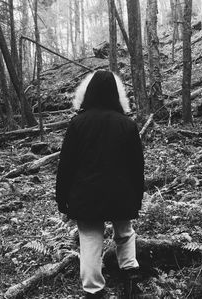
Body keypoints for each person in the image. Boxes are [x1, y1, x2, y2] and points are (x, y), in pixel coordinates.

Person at [56, 70, 145, 299]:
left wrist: (62, 198)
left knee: (89, 240)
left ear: (89, 92)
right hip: (121, 194)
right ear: (116, 94)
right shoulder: (127, 125)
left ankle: (93, 290)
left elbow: (66, 165)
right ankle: (131, 279)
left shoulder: (78, 124)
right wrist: (137, 197)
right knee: (125, 234)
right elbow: (137, 167)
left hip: (86, 195)